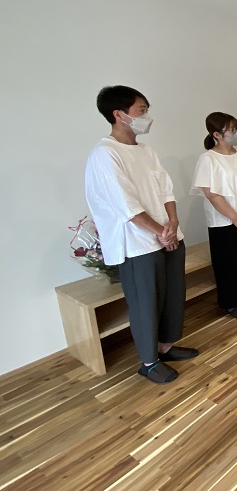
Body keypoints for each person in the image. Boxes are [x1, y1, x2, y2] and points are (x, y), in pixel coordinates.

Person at [85, 85, 198, 384]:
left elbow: (166, 190)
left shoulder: (147, 152)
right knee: (146, 302)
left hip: (167, 235)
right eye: (142, 111)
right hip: (137, 244)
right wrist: (161, 231)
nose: (147, 116)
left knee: (173, 294)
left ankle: (165, 347)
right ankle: (149, 362)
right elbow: (125, 204)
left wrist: (172, 222)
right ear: (119, 114)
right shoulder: (105, 154)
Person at [191, 112, 237, 320]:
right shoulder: (208, 159)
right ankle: (230, 302)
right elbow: (212, 194)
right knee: (228, 264)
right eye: (231, 129)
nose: (236, 133)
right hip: (223, 223)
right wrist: (234, 217)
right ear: (217, 134)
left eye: (236, 128)